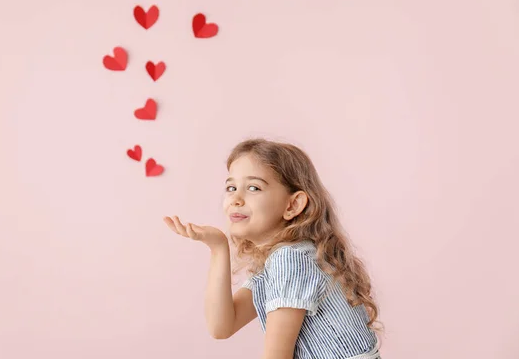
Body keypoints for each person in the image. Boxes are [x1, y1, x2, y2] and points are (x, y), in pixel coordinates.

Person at [163, 138, 383, 359]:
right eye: (231, 187)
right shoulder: (281, 260)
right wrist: (218, 247)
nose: (236, 199)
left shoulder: (291, 259)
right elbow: (221, 327)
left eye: (253, 187)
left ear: (293, 205)